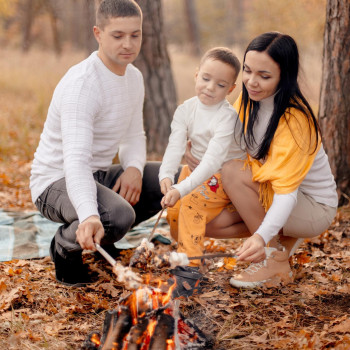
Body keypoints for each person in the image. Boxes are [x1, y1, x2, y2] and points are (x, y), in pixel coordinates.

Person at [30, 0, 164, 287]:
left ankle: (105, 232)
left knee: (170, 179)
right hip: (55, 181)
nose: (128, 44)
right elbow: (75, 161)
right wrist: (91, 215)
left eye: (135, 34)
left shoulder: (134, 77)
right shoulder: (83, 84)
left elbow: (133, 136)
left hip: (98, 175)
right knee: (117, 215)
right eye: (118, 35)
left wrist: (134, 169)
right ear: (98, 34)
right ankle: (65, 248)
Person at [191, 32, 338, 288]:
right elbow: (228, 148)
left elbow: (286, 192)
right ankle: (283, 239)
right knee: (204, 221)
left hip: (312, 206)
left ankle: (274, 260)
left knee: (234, 172)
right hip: (269, 192)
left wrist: (260, 237)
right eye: (247, 71)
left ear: (285, 75)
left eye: (264, 75)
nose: (251, 81)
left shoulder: (295, 120)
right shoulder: (248, 103)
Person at [159, 47, 245, 296]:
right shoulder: (186, 109)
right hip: (196, 171)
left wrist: (181, 188)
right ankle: (187, 257)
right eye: (206, 79)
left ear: (231, 89)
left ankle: (189, 275)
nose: (209, 87)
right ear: (196, 75)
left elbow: (211, 161)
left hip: (223, 177)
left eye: (220, 84)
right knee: (174, 211)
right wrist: (166, 175)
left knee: (190, 204)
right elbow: (175, 144)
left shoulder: (226, 117)